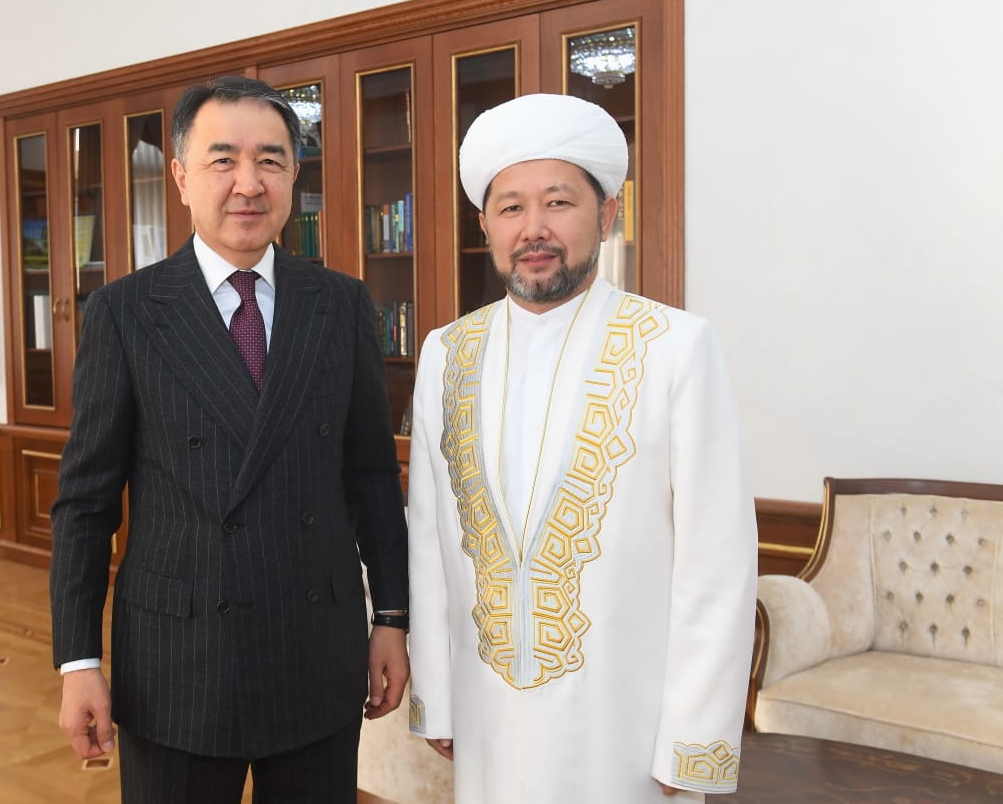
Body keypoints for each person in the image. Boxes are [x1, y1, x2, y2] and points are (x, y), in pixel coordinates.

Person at [49, 75, 409, 804]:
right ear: (181, 176)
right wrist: (78, 660)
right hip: (180, 664)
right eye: (223, 160)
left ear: (294, 175)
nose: (248, 183)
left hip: (315, 648)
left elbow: (372, 474)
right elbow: (85, 504)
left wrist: (393, 620)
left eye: (270, 160)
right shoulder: (124, 312)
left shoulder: (341, 304)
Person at [405, 93, 758, 803]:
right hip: (486, 713)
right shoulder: (447, 352)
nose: (534, 228)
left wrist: (692, 738)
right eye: (511, 207)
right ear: (486, 225)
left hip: (626, 725)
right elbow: (429, 539)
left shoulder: (676, 346)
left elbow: (716, 561)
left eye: (559, 202)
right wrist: (436, 695)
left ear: (608, 213)